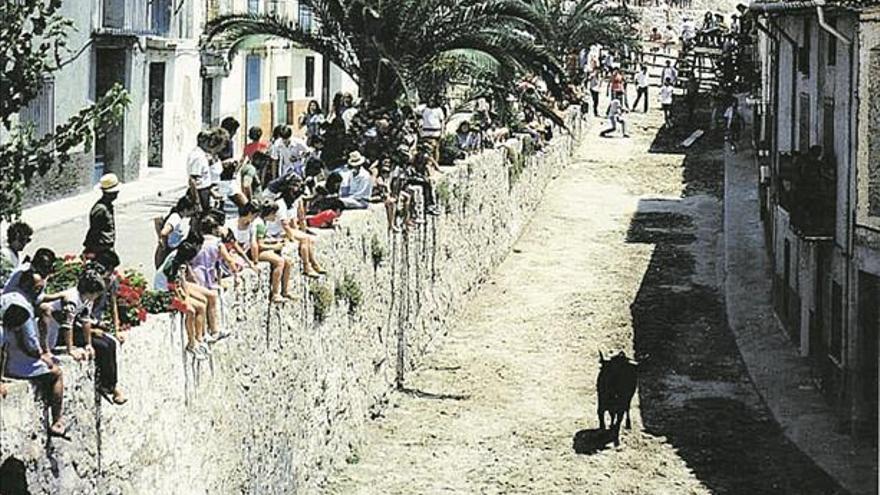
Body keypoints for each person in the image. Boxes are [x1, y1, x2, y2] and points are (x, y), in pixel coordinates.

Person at [2, 291, 67, 437]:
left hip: (9, 362)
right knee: (56, 373)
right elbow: (30, 344)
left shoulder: (7, 299)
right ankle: (57, 420)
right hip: (16, 366)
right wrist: (42, 355)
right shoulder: (20, 312)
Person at [82, 251, 127, 405]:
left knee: (111, 343)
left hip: (95, 323)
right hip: (83, 325)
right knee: (103, 346)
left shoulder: (111, 281)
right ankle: (110, 387)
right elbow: (83, 314)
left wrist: (117, 329)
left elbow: (113, 305)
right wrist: (93, 331)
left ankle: (110, 385)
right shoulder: (91, 282)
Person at [153, 241, 211, 359]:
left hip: (174, 289)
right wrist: (184, 300)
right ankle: (191, 343)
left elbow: (182, 281)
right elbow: (172, 286)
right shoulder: (172, 264)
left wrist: (187, 295)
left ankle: (199, 338)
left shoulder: (181, 261)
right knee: (190, 311)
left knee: (201, 306)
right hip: (164, 293)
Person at [254, 203, 295, 303]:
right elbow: (259, 245)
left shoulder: (263, 222)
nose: (276, 217)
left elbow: (262, 240)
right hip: (255, 252)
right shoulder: (259, 224)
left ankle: (285, 290)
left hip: (261, 249)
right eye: (274, 214)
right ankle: (275, 293)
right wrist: (275, 246)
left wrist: (274, 241)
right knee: (280, 261)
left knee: (288, 262)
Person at [156, 196, 199, 268]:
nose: (193, 212)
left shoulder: (180, 218)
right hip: (170, 250)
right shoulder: (175, 218)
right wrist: (165, 246)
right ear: (185, 210)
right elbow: (164, 232)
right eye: (192, 210)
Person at [83, 173, 120, 258]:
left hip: (107, 246)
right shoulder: (100, 209)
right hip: (100, 248)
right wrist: (90, 250)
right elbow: (94, 230)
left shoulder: (108, 206)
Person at [188, 131, 220, 211]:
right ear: (203, 141)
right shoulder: (198, 156)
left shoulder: (202, 154)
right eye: (209, 141)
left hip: (205, 191)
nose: (211, 145)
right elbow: (193, 180)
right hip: (200, 192)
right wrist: (197, 202)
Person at [418, 96, 446, 165]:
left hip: (436, 132)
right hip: (425, 132)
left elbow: (442, 121)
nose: (431, 102)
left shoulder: (438, 110)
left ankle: (436, 163)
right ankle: (427, 164)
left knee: (436, 148)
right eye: (430, 100)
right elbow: (416, 111)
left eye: (433, 101)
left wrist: (442, 133)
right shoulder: (424, 108)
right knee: (426, 148)